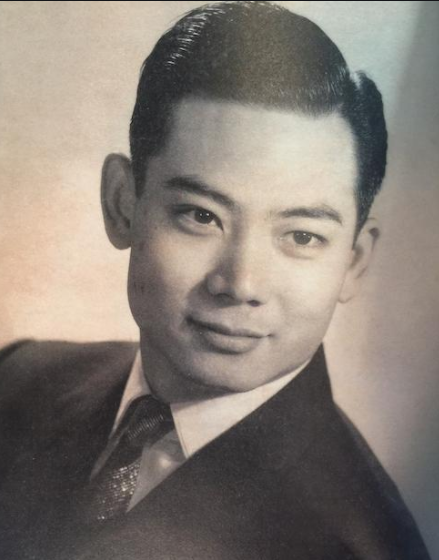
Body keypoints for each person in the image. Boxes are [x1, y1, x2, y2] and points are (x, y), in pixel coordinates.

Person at [0, 2, 431, 559]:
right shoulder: (18, 380)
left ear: (353, 261)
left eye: (302, 236)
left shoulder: (358, 545)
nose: (240, 283)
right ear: (123, 203)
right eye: (202, 215)